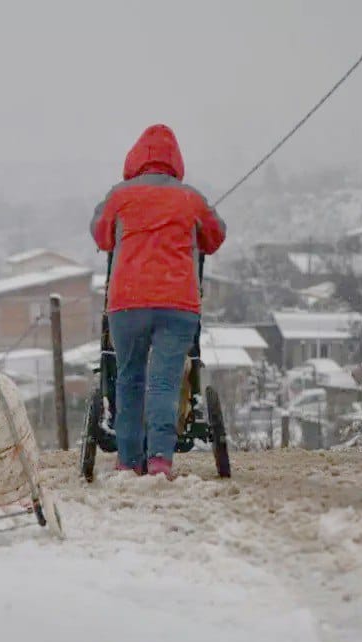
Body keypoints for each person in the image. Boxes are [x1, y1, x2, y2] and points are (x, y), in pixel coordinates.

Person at [90, 124, 226, 478]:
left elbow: (101, 234)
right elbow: (215, 236)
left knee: (129, 377)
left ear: (134, 158)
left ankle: (128, 458)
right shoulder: (191, 198)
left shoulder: (119, 196)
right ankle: (161, 458)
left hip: (128, 302)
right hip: (177, 303)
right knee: (165, 382)